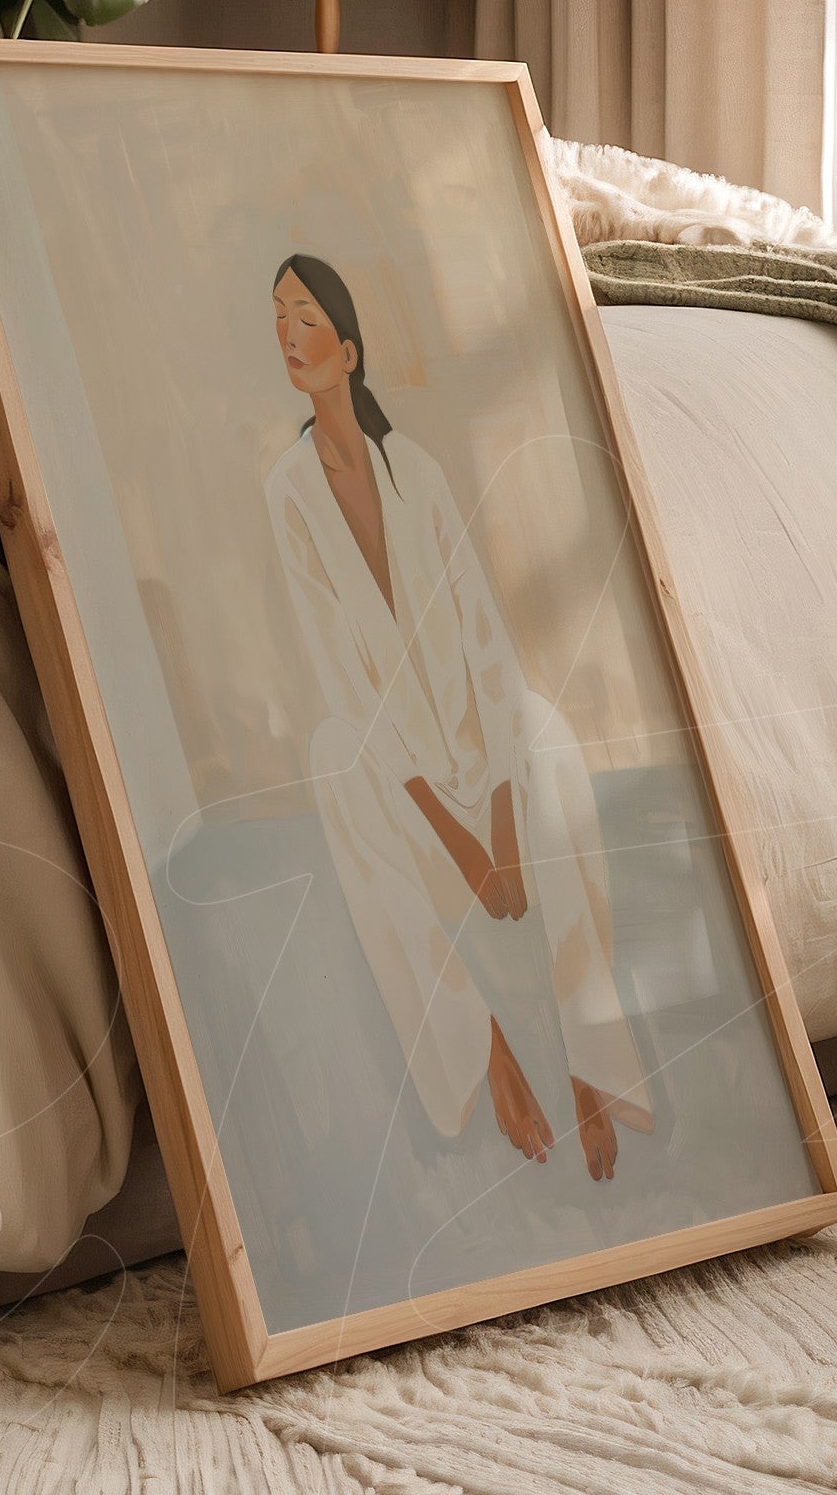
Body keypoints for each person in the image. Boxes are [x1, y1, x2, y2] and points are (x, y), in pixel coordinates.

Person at [263, 254, 652, 1182]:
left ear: (348, 349)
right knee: (332, 759)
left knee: (548, 736)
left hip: (477, 749)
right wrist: (464, 848)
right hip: (394, 767)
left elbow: (487, 645)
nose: (285, 333)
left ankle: (587, 1054)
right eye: (277, 317)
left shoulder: (420, 473)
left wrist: (506, 830)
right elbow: (344, 685)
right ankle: (486, 1047)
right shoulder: (287, 494)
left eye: (305, 316)